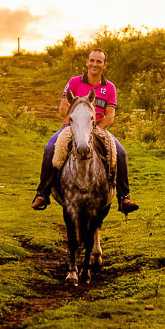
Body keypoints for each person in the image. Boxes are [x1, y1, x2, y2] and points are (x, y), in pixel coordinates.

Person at [31, 48, 138, 214]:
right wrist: (78, 125)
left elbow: (110, 116)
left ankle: (124, 197)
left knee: (121, 153)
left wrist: (93, 130)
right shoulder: (74, 82)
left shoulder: (109, 87)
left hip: (98, 128)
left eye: (99, 61)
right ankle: (42, 194)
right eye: (92, 60)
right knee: (49, 148)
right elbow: (63, 108)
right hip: (72, 127)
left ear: (104, 65)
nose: (95, 64)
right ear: (87, 62)